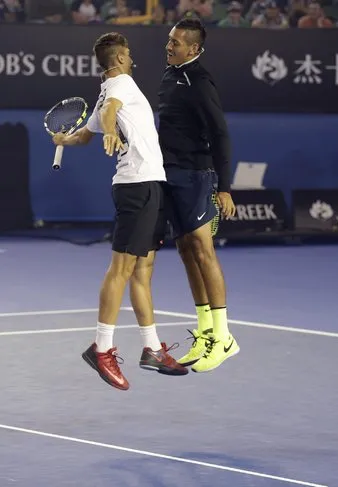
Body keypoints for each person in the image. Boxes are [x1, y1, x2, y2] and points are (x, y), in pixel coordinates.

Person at [52, 32, 187, 391]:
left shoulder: (104, 93)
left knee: (143, 270)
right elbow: (110, 116)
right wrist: (111, 132)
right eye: (129, 54)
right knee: (122, 269)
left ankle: (152, 348)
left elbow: (84, 135)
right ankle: (102, 348)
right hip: (137, 186)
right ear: (121, 58)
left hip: (151, 183)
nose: (132, 59)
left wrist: (63, 139)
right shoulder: (120, 84)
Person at [158, 18, 239, 373]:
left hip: (196, 175)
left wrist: (223, 186)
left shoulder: (200, 81)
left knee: (204, 251)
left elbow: (220, 134)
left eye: (176, 42)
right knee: (187, 251)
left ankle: (223, 337)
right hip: (172, 173)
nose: (169, 45)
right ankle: (205, 332)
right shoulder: (169, 76)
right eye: (169, 40)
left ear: (193, 48)